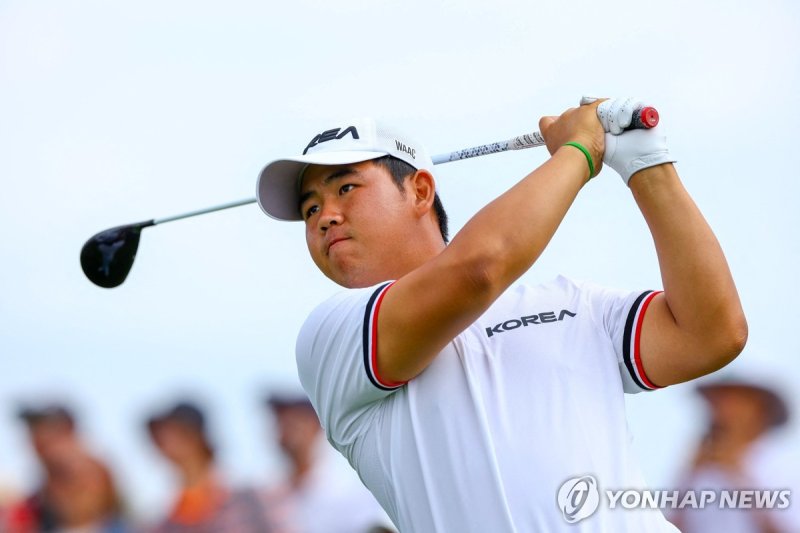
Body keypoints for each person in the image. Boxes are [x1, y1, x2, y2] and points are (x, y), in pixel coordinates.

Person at [253, 98, 748, 531]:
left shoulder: (570, 303)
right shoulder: (331, 336)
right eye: (310, 207)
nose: (325, 217)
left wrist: (646, 161)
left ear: (421, 192)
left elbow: (711, 334)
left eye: (345, 189)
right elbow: (480, 269)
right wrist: (580, 152)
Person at [670, 377, 799, 533]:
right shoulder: (701, 468)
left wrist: (737, 476)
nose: (721, 409)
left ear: (761, 407)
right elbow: (671, 526)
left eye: (733, 399)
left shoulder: (785, 464)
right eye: (717, 399)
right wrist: (690, 474)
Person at [259, 391, 395, 533]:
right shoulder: (266, 495)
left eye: (295, 421)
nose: (287, 429)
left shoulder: (350, 491)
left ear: (316, 426)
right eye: (281, 421)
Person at [145, 400, 281, 533]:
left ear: (197, 437)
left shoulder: (250, 501)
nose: (167, 444)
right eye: (160, 438)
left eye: (178, 435)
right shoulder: (168, 522)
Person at [3, 403, 129, 533]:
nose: (37, 439)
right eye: (33, 430)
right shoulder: (31, 505)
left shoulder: (92, 469)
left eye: (45, 429)